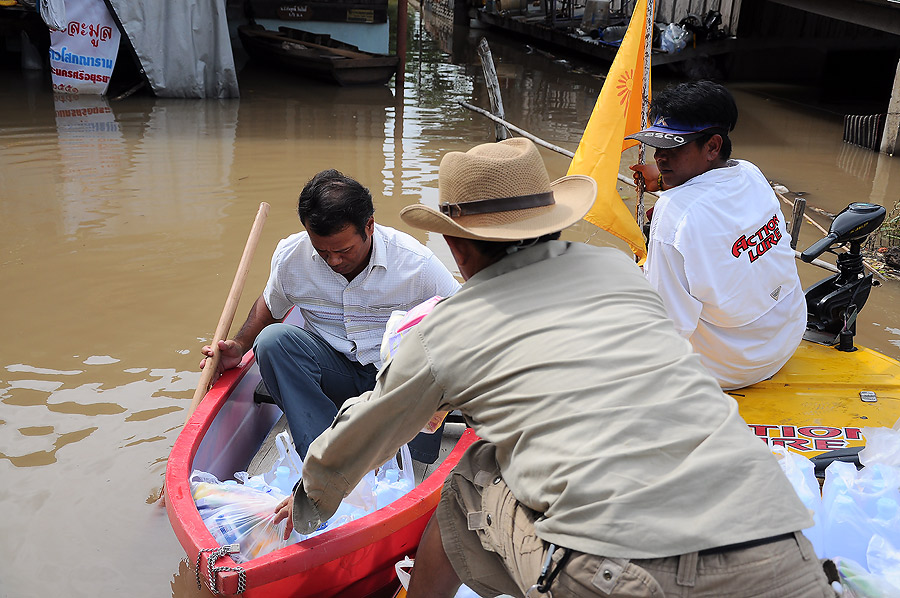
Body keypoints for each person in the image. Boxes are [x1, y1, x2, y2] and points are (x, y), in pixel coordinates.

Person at [273, 139, 833, 598]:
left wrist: (305, 504)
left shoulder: (447, 328)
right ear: (551, 220)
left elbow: (364, 432)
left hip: (627, 574)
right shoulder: (619, 272)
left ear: (456, 247)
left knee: (463, 489)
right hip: (778, 541)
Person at [200, 169, 460, 460]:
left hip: (397, 382)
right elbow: (269, 309)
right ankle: (324, 457)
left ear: (369, 226)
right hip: (334, 376)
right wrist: (238, 346)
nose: (334, 261)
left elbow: (465, 319)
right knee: (272, 341)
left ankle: (398, 459)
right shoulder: (291, 256)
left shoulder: (416, 264)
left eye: (344, 250)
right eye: (322, 252)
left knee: (407, 461)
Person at [628, 80, 806, 390]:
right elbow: (709, 201)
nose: (659, 157)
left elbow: (669, 328)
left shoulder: (674, 212)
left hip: (728, 367)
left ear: (712, 147)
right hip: (786, 336)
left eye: (673, 148)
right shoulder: (749, 172)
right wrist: (670, 179)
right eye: (658, 147)